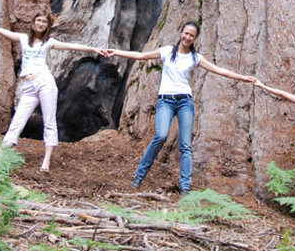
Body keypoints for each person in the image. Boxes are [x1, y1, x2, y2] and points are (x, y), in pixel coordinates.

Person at [105, 21, 256, 196]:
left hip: (185, 102)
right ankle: (139, 176)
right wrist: (115, 51)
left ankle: (185, 188)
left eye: (191, 35)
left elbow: (219, 70)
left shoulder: (195, 58)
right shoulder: (167, 51)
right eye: (186, 33)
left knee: (185, 145)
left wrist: (243, 78)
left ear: (195, 38)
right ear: (180, 33)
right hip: (166, 101)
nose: (187, 37)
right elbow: (140, 56)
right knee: (161, 135)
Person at [0, 11, 103, 172]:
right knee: (17, 120)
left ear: (48, 25)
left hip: (44, 82)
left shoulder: (48, 42)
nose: (41, 24)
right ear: (33, 22)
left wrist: (94, 50)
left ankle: (46, 161)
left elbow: (72, 46)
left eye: (44, 22)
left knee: (49, 120)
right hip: (28, 86)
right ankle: (0, 157)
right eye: (38, 20)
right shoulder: (23, 38)